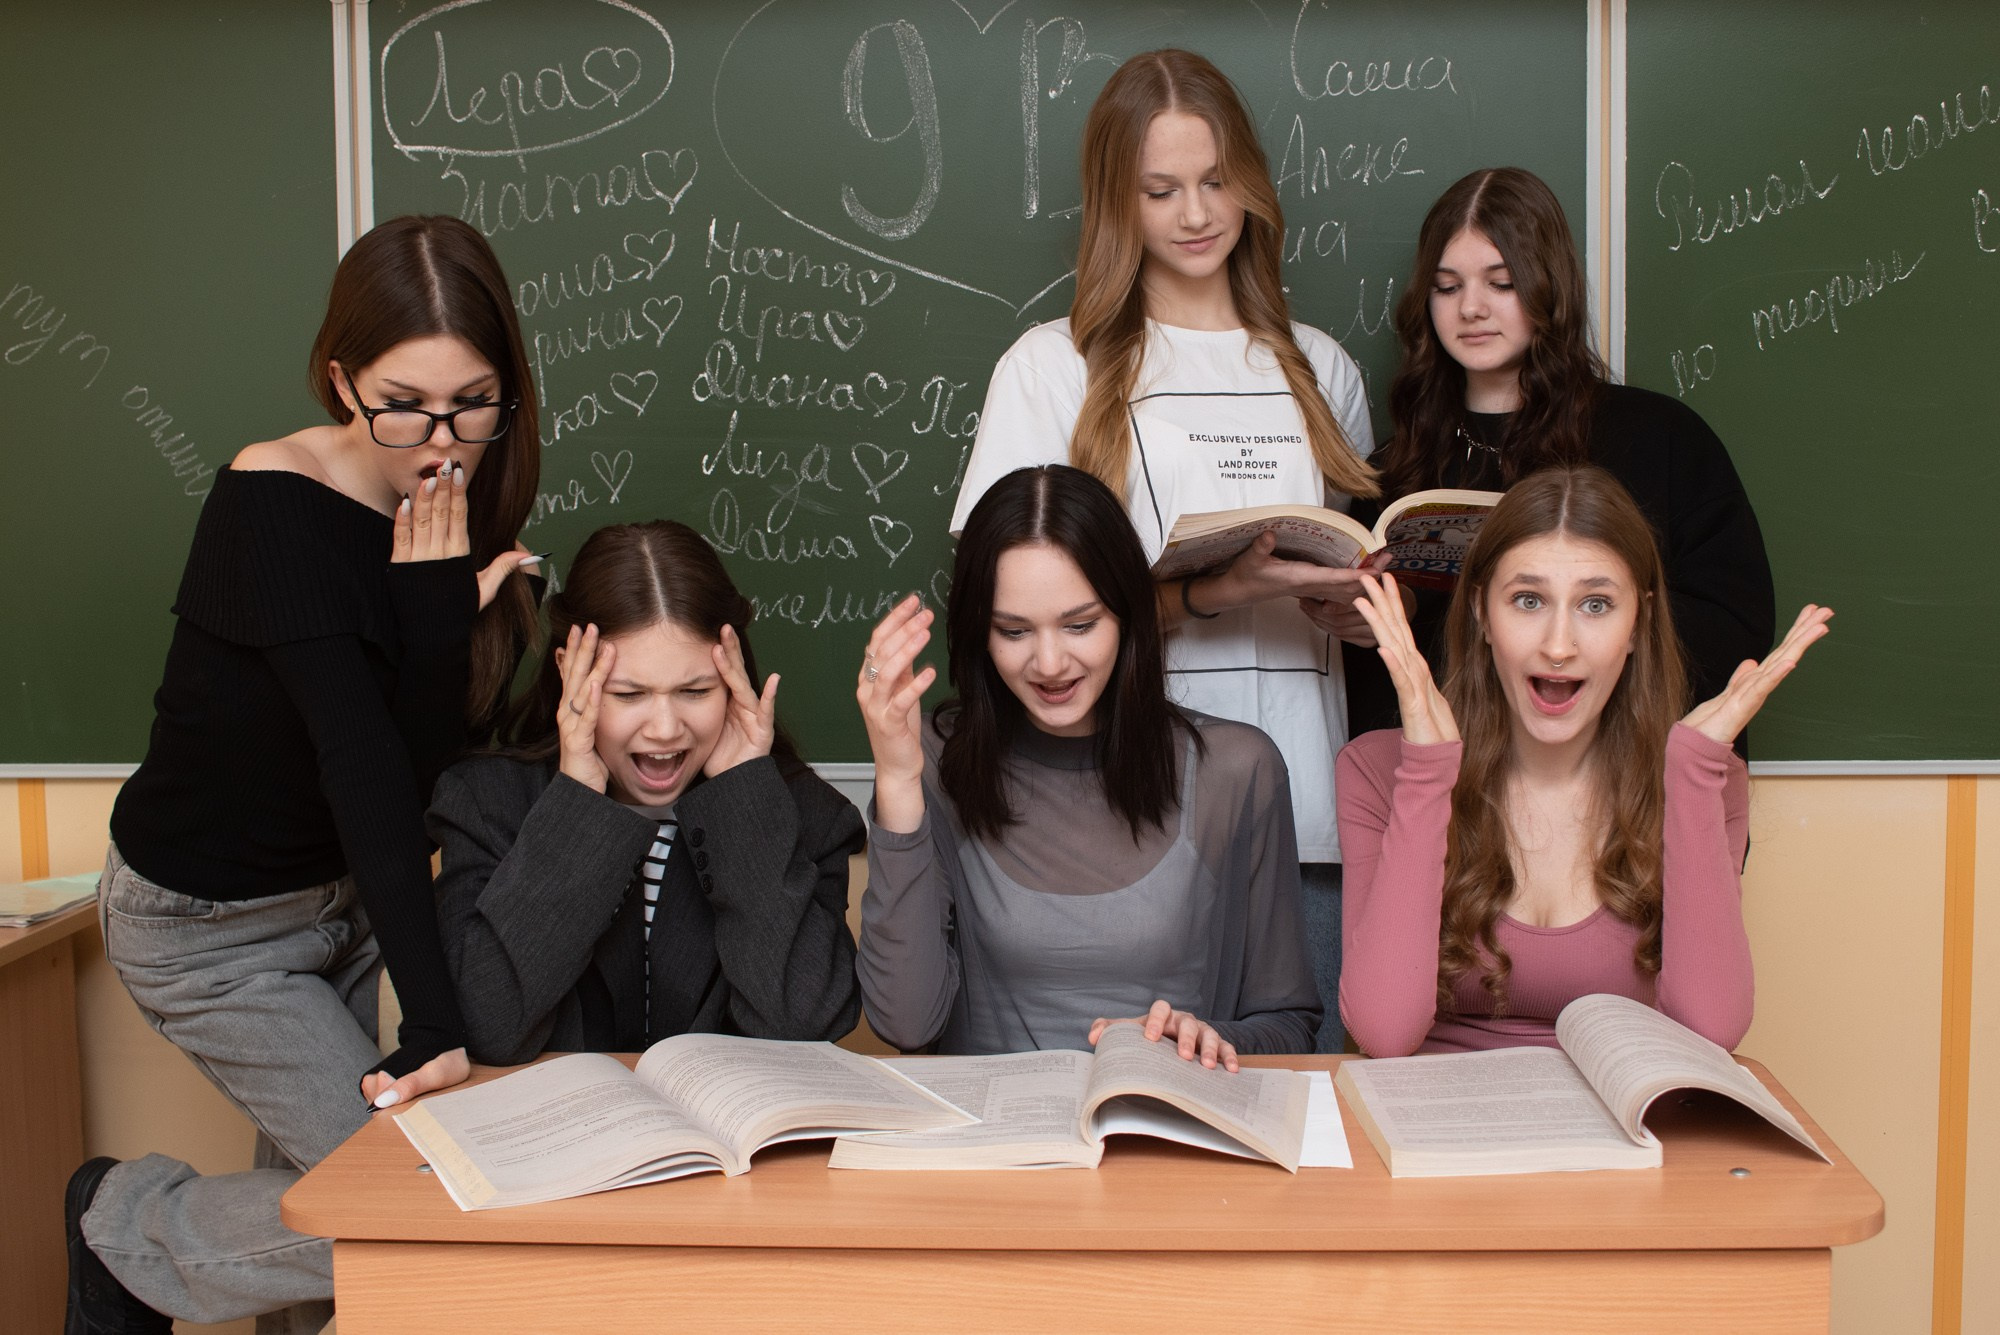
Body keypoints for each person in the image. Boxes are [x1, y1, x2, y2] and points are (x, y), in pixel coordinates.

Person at [69, 215, 541, 1335]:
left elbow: (422, 765)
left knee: (329, 1215)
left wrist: (432, 623)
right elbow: (362, 772)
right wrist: (433, 1026)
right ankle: (123, 1227)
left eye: (471, 402)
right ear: (340, 378)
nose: (441, 438)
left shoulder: (444, 513)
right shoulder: (270, 503)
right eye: (403, 402)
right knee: (396, 1206)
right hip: (209, 926)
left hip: (343, 900)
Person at [950, 49, 1377, 1054]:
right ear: (1116, 201)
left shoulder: (1319, 369)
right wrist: (1211, 593)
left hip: (1305, 814)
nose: (1195, 213)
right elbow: (994, 606)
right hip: (1112, 823)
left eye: (1216, 180)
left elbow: (1351, 563)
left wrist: (1352, 610)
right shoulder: (1050, 368)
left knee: (1277, 1096)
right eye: (1160, 189)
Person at [1336, 466, 1830, 1057]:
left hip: (1619, 1134)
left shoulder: (1705, 782)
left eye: (1596, 604)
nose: (1559, 645)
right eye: (1527, 600)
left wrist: (1695, 777)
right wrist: (1426, 772)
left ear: (1637, 624)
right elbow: (1383, 1035)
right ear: (1479, 614)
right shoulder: (1377, 772)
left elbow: (1711, 1035)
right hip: (1434, 1136)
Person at [861, 465, 1320, 1068]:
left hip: (1169, 1142)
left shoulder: (1236, 770)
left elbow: (1289, 1026)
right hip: (992, 1146)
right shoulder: (934, 761)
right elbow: (905, 1022)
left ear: (1128, 616)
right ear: (980, 633)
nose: (1050, 663)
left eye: (1080, 625)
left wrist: (1207, 1036)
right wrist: (896, 779)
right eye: (1014, 631)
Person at [1348, 166, 1775, 746]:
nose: (1470, 308)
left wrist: (1594, 607)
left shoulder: (1660, 437)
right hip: (1454, 794)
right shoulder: (1395, 469)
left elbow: (1735, 631)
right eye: (1447, 287)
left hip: (1627, 781)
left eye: (1500, 283)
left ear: (1549, 286)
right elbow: (1371, 694)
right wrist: (1361, 624)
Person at [428, 520, 863, 1065]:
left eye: (695, 691)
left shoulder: (807, 816)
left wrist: (741, 800)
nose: (663, 728)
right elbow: (486, 1027)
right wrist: (578, 801)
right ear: (571, 675)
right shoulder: (485, 803)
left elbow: (806, 1026)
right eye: (629, 694)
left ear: (732, 681)